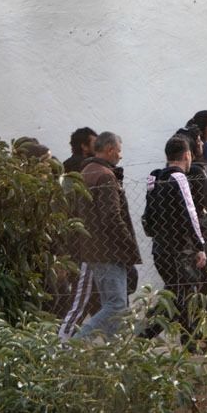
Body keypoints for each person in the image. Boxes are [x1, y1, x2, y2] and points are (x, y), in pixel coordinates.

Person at [72, 132, 141, 339]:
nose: (120, 156)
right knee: (116, 304)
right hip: (109, 251)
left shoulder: (86, 171)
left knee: (110, 305)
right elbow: (112, 217)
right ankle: (71, 347)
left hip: (93, 250)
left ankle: (114, 356)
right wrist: (129, 245)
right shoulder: (105, 176)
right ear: (110, 150)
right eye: (119, 151)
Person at [143, 136, 207, 341]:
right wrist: (200, 245)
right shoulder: (179, 179)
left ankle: (188, 342)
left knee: (178, 295)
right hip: (180, 250)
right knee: (183, 298)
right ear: (187, 155)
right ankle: (144, 336)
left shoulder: (156, 179)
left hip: (161, 249)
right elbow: (191, 214)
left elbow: (149, 218)